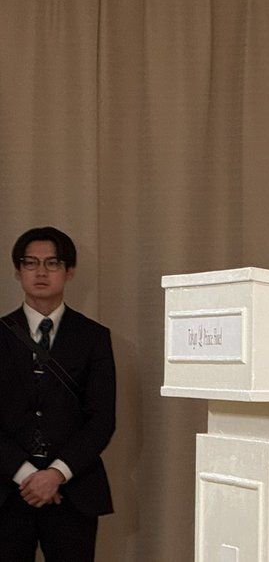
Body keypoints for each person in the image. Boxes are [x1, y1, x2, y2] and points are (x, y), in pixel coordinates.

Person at [0, 227, 116, 562]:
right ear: (18, 271)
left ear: (69, 272)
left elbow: (102, 419)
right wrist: (27, 476)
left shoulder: (94, 337)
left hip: (73, 489)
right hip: (6, 489)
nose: (41, 272)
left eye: (52, 263)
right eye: (31, 263)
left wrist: (56, 474)